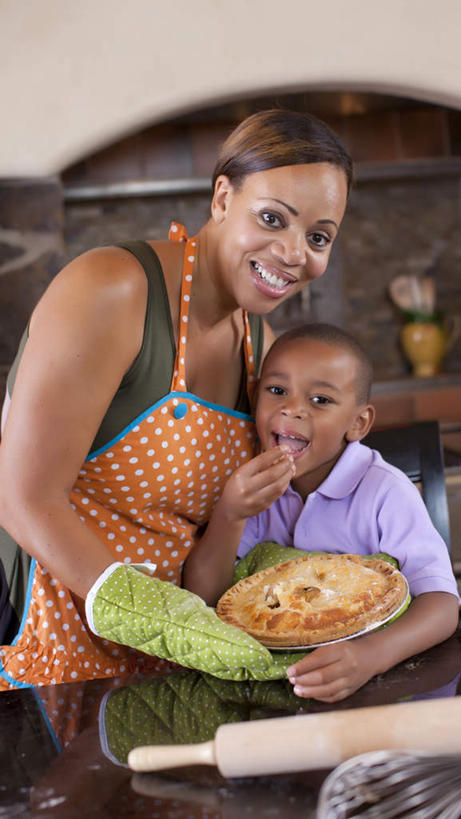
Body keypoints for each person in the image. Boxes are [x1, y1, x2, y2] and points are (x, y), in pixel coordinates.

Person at [0, 109, 352, 689]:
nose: (294, 255)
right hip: (60, 646)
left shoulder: (257, 341)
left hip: (178, 662)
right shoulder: (111, 288)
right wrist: (156, 617)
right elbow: (23, 497)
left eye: (318, 238)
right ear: (221, 198)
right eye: (272, 218)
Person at [186, 323, 459, 702]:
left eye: (320, 400)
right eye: (277, 391)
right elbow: (204, 597)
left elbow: (442, 605)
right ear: (255, 398)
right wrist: (230, 514)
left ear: (358, 423)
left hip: (377, 688)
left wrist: (370, 657)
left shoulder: (385, 491)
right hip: (276, 694)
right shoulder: (254, 488)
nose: (292, 409)